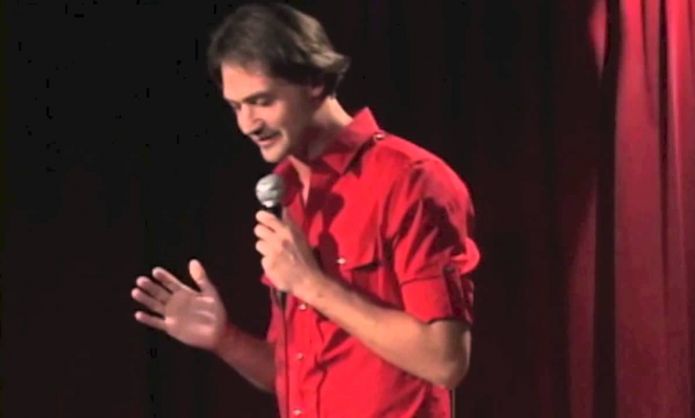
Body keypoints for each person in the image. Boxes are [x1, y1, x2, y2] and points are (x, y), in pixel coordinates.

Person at [130, 3, 479, 417]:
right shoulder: (286, 194)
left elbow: (445, 361)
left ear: (314, 81)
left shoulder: (410, 180)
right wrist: (224, 338)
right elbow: (294, 374)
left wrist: (312, 285)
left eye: (261, 101)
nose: (247, 124)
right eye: (236, 107)